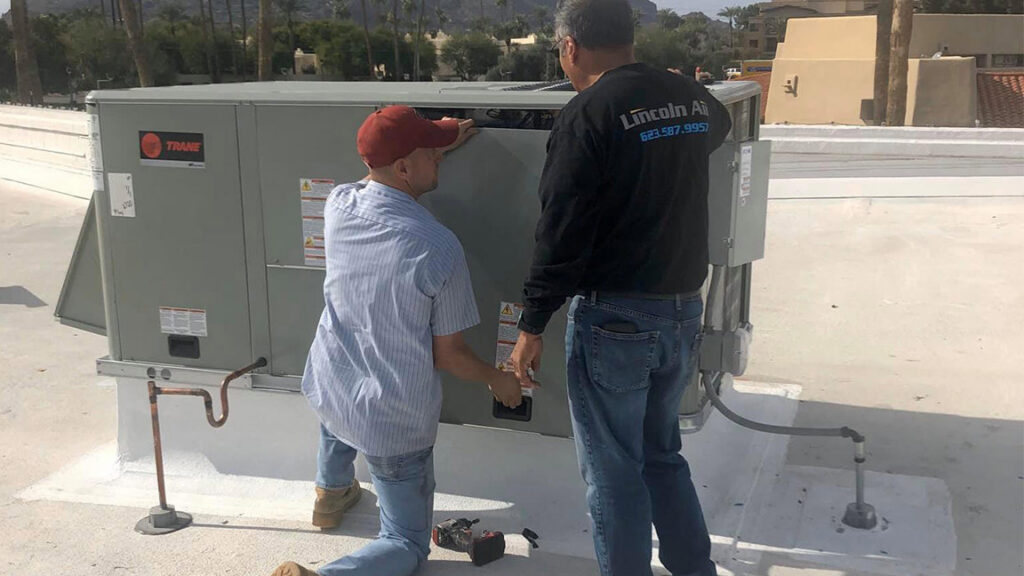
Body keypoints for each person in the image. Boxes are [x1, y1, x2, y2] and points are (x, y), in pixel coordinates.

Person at [508, 1, 733, 575]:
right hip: (682, 312)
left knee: (614, 473)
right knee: (662, 455)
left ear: (570, 48)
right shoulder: (687, 95)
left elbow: (559, 230)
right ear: (630, 40)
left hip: (616, 320)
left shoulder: (587, 113)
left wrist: (531, 324)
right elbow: (720, 124)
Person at [272, 106, 527, 576]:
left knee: (337, 413)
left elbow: (375, 170)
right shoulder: (437, 245)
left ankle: (331, 493)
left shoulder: (339, 203)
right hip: (394, 419)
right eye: (433, 152)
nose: (441, 158)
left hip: (332, 379)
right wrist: (499, 379)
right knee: (406, 543)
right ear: (405, 167)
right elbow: (449, 355)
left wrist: (433, 141)